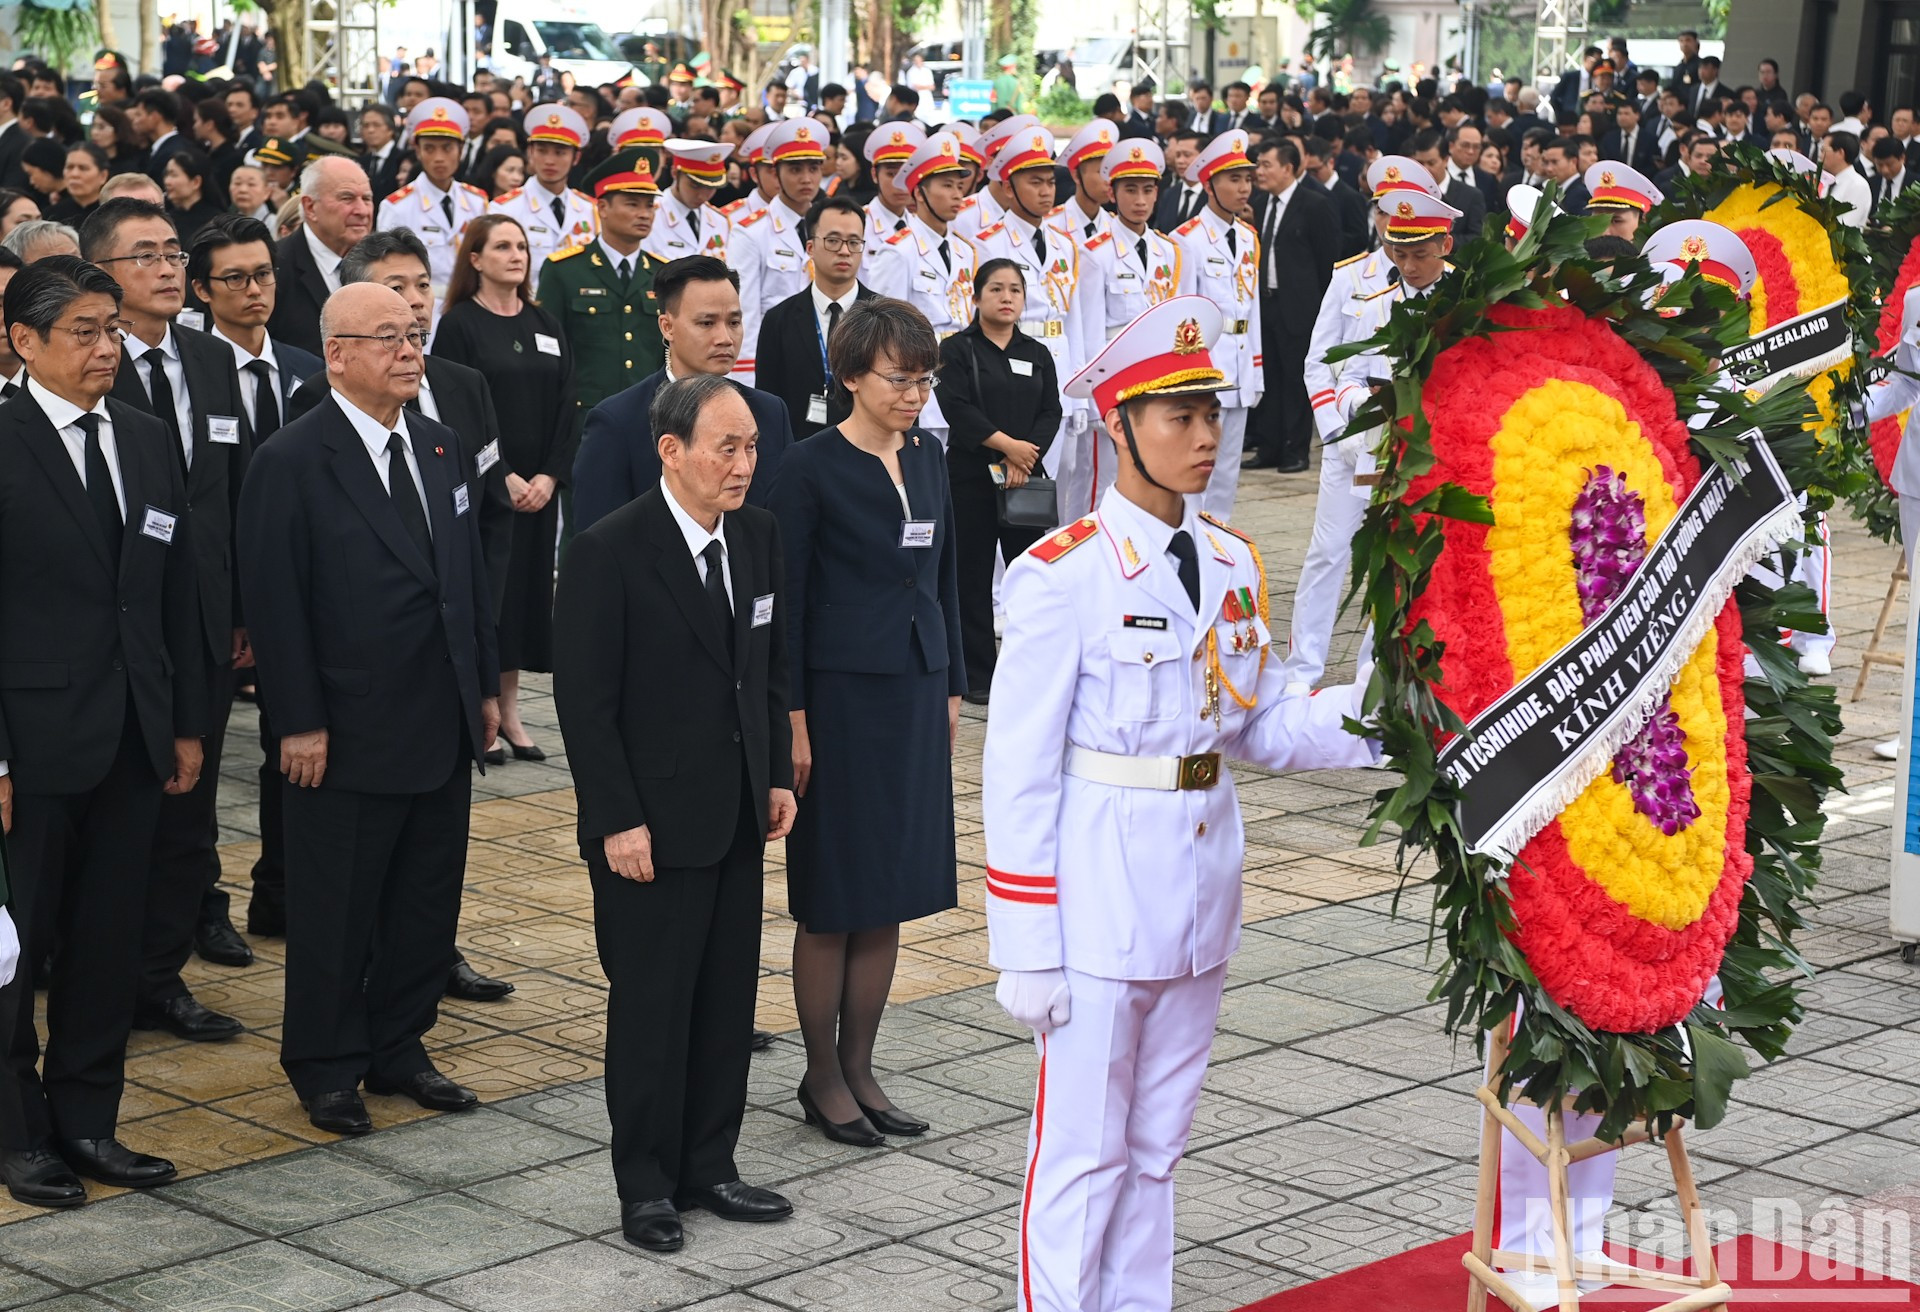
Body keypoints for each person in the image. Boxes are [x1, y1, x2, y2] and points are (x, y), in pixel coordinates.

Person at [984, 294, 1378, 1312]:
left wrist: (1387, 716)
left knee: (1157, 1148)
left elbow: (1259, 721)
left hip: (1200, 892)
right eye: (1178, 416)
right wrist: (1024, 936)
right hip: (1096, 903)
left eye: (1212, 413)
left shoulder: (1233, 558)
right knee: (1080, 1156)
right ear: (1119, 427)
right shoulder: (1060, 576)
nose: (1206, 437)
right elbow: (1017, 767)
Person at [237, 282, 501, 1136]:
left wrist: (485, 691)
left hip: (441, 715)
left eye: (413, 334)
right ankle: (325, 1064)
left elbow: (464, 580)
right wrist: (298, 720)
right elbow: (276, 604)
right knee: (337, 907)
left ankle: (400, 1044)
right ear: (338, 355)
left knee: (426, 898)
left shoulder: (440, 445)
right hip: (344, 728)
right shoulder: (291, 459)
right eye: (385, 337)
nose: (407, 350)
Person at [553, 372, 798, 1252]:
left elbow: (766, 670)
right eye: (727, 448)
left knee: (726, 1000)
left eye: (752, 448)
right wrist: (618, 819)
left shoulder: (759, 538)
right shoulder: (608, 550)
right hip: (649, 828)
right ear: (671, 450)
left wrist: (775, 776)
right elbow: (586, 705)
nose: (744, 464)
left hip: (734, 812)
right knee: (653, 1008)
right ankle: (646, 1185)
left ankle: (710, 1165)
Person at [0, 256, 206, 1207]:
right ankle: (17, 1130)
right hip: (29, 742)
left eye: (110, 329)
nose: (104, 348)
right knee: (17, 945)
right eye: (81, 331)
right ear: (23, 341)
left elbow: (172, 592)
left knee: (105, 940)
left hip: (132, 735)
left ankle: (88, 1118)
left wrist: (184, 724)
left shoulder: (148, 437)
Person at [765, 295, 961, 1150]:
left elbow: (944, 574)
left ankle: (863, 1064)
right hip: (838, 699)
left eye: (924, 380)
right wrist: (795, 722)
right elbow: (791, 606)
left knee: (890, 886)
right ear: (850, 376)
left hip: (913, 688)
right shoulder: (805, 468)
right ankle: (819, 1072)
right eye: (898, 379)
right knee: (836, 894)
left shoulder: (928, 456)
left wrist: (952, 679)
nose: (913, 395)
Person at [79, 198, 256, 1043]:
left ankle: (160, 975)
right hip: (121, 625)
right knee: (122, 811)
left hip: (205, 622)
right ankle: (92, 977)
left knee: (191, 807)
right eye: (144, 254)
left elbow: (232, 493)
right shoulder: (92, 368)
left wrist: (241, 611)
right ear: (103, 276)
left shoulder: (210, 358)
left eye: (174, 250)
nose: (168, 267)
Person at [433, 214, 573, 764]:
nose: (516, 255)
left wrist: (549, 475)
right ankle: (478, 707)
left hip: (539, 492)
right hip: (490, 490)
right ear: (475, 258)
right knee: (488, 597)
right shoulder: (461, 324)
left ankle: (511, 711)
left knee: (524, 602)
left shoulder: (543, 321)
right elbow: (456, 409)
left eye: (521, 245)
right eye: (502, 246)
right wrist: (505, 474)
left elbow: (567, 402)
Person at [573, 256, 792, 529]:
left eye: (734, 322)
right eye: (706, 323)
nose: (725, 337)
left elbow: (783, 524)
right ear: (667, 326)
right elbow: (596, 540)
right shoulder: (618, 422)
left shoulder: (770, 413)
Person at [938, 258, 1060, 700]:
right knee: (970, 578)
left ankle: (1031, 667)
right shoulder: (955, 350)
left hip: (1024, 480)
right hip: (971, 479)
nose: (1006, 297)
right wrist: (1007, 447)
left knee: (1031, 574)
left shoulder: (1036, 352)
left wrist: (1025, 457)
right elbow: (957, 407)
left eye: (1015, 290)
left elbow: (1052, 411)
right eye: (996, 289)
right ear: (976, 297)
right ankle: (978, 677)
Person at [862, 134, 977, 444]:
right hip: (917, 379)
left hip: (964, 377)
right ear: (920, 192)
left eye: (959, 185)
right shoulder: (899, 250)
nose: (958, 194)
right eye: (947, 186)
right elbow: (882, 328)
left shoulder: (965, 251)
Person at [1170, 131, 1262, 518]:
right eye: (1234, 180)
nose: (1244, 189)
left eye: (1247, 179)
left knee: (1227, 471)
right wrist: (1188, 376)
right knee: (1195, 465)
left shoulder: (1248, 237)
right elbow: (1182, 315)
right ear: (1209, 184)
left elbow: (1253, 309)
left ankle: (1218, 540)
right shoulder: (1186, 240)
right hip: (1205, 366)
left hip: (1239, 365)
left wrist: (1256, 371)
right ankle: (1189, 541)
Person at [1244, 136, 1336, 477]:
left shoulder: (1314, 204)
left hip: (1300, 308)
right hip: (1265, 303)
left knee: (1296, 382)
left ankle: (1296, 450)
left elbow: (1328, 260)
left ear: (1288, 167)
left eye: (1266, 165)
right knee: (1269, 379)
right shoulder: (1260, 203)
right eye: (1258, 165)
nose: (1259, 172)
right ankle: (1268, 447)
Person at [753, 195, 874, 445]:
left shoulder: (886, 317)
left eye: (854, 242)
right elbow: (767, 403)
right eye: (833, 241)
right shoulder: (779, 319)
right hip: (799, 454)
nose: (844, 251)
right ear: (810, 248)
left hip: (870, 452)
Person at [726, 118, 825, 387]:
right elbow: (743, 309)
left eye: (814, 168)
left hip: (827, 359)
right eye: (795, 169)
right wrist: (747, 380)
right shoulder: (750, 232)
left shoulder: (828, 226)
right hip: (775, 359)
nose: (806, 179)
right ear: (776, 173)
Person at [377, 98, 488, 308]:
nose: (439, 158)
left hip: (472, 307)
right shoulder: (397, 206)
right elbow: (388, 271)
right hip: (422, 310)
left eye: (447, 148)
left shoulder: (477, 201)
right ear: (417, 151)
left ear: (461, 150)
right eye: (429, 149)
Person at [271, 155, 374, 357]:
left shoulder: (380, 263)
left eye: (367, 199)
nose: (362, 210)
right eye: (347, 198)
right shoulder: (274, 268)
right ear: (310, 207)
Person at [644, 138, 733, 263]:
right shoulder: (649, 217)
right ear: (675, 173)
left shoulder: (720, 221)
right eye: (695, 186)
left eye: (711, 188)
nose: (703, 196)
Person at [160, 147, 225, 244]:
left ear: (196, 182)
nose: (167, 182)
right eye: (166, 175)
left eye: (174, 175)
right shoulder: (167, 219)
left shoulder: (216, 222)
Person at [50, 145, 108, 227]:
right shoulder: (52, 215)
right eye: (69, 167)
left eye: (83, 168)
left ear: (103, 176)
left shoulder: (112, 212)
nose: (74, 174)